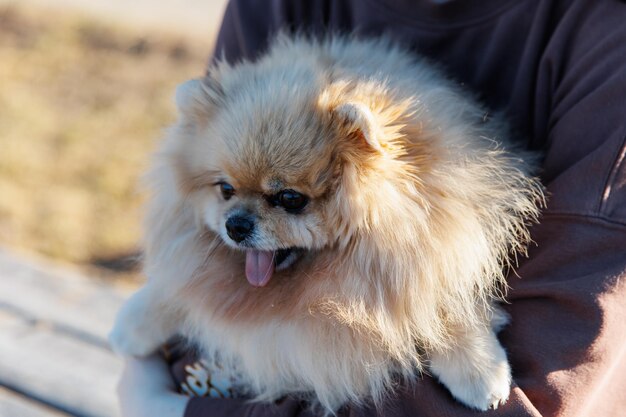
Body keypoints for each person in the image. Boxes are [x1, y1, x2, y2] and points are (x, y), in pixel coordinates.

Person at [116, 1, 626, 416]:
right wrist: (173, 298)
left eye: (290, 200)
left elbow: (539, 392)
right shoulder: (268, 20)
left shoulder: (607, 47)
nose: (240, 219)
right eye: (226, 190)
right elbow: (188, 350)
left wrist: (170, 409)